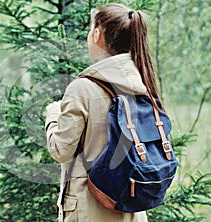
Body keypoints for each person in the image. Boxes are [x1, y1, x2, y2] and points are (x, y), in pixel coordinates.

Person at [45, 3, 161, 222]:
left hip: (88, 210)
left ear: (97, 34)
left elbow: (61, 151)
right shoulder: (143, 82)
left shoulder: (83, 88)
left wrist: (53, 115)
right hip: (132, 209)